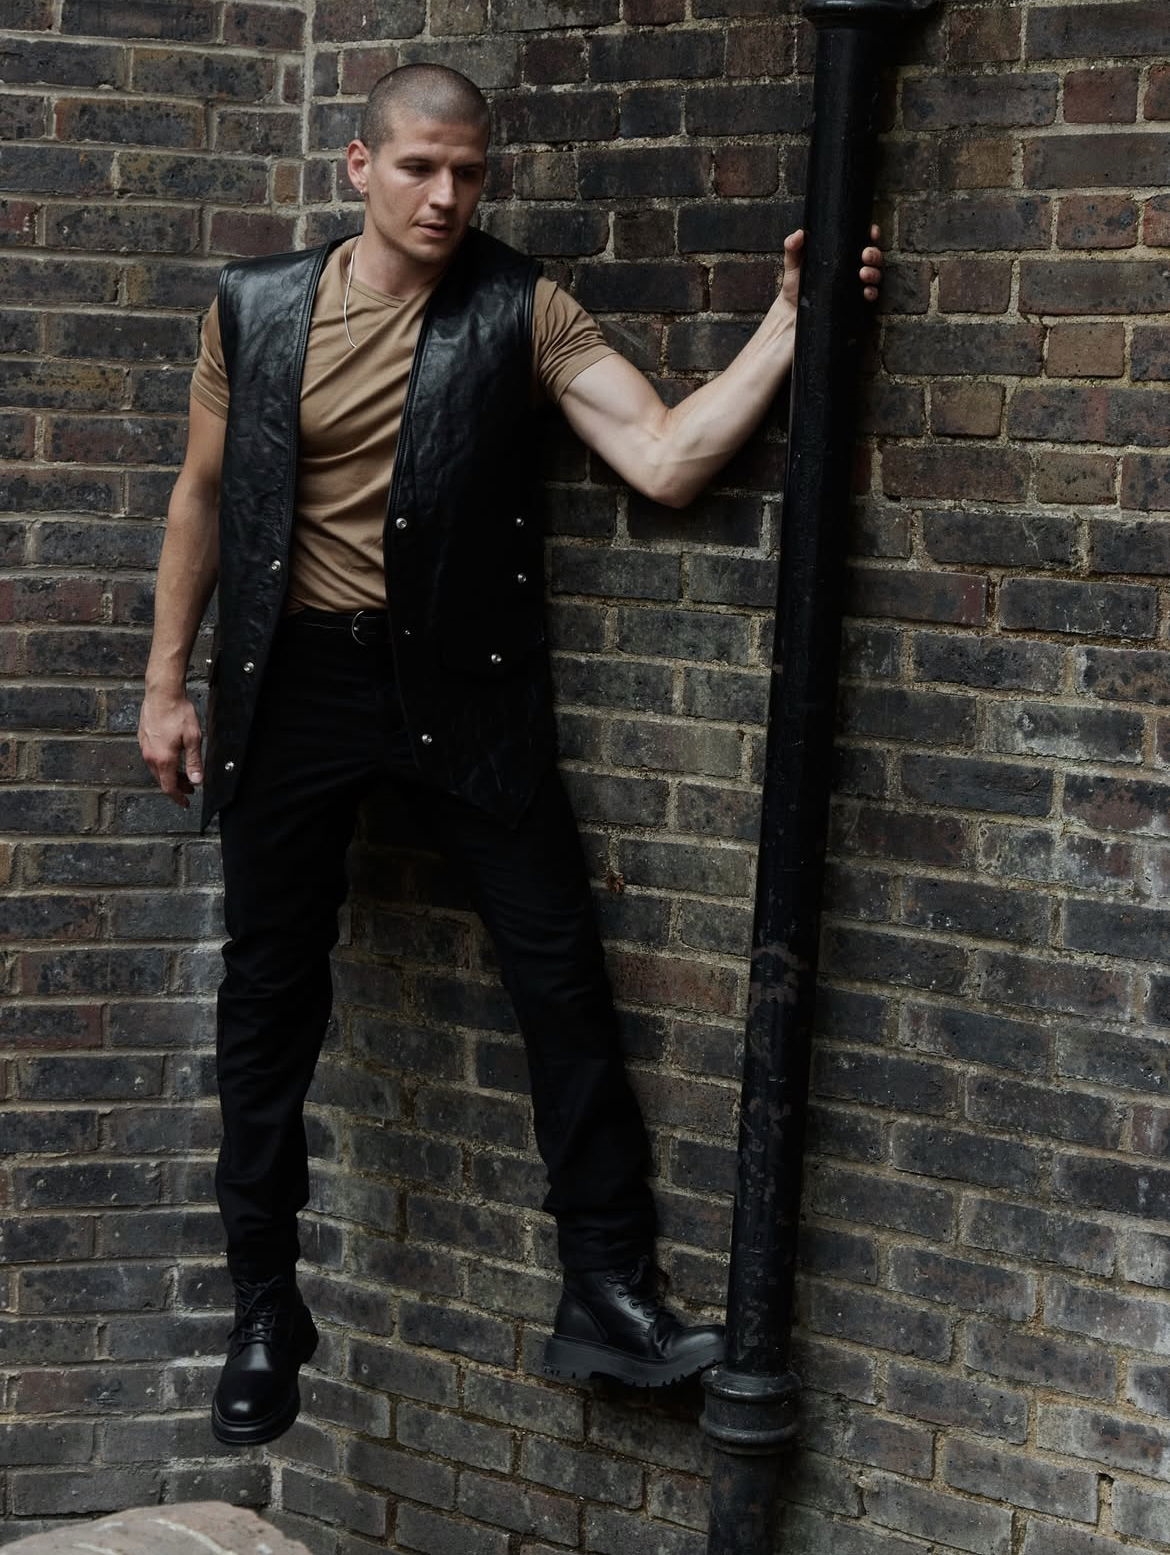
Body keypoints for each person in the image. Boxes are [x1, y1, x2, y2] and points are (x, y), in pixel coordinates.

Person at [138, 63, 883, 1448]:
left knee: (561, 983)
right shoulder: (254, 308)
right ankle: (264, 1309)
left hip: (462, 694)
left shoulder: (521, 308)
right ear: (359, 166)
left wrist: (793, 318)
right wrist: (166, 682)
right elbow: (201, 494)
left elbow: (665, 457)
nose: (445, 196)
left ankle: (607, 1288)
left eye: (468, 174)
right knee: (267, 1005)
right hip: (291, 690)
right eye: (419, 167)